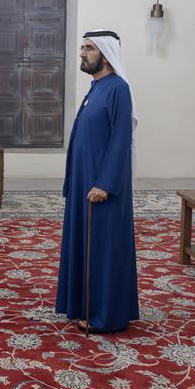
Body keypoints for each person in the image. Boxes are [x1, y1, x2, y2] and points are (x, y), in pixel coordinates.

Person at [56, 30, 138, 333]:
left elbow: (120, 141)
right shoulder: (97, 88)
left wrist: (104, 183)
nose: (82, 53)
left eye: (88, 48)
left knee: (103, 250)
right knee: (86, 247)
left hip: (102, 188)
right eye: (82, 47)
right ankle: (83, 306)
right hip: (84, 184)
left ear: (105, 54)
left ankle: (106, 316)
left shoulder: (118, 89)